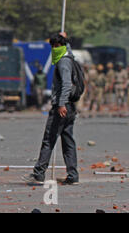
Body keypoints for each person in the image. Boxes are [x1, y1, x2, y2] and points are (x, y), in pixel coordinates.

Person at [23, 32, 79, 185]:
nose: (54, 49)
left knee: (49, 140)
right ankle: (73, 175)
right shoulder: (69, 57)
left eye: (56, 46)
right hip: (70, 107)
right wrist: (66, 40)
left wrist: (61, 104)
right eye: (52, 46)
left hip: (62, 107)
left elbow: (67, 84)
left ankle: (39, 174)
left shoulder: (62, 62)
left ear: (59, 46)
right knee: (68, 142)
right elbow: (69, 51)